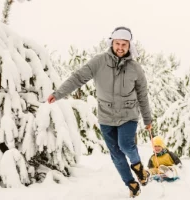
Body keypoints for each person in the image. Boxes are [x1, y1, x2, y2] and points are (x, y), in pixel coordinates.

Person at [47, 26, 152, 198]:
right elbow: (78, 77)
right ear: (112, 43)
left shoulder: (135, 68)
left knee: (126, 145)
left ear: (129, 46)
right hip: (106, 117)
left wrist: (147, 120)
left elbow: (142, 95)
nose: (120, 47)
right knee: (116, 154)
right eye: (117, 43)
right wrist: (58, 93)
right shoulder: (99, 62)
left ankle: (138, 167)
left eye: (124, 44)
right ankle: (131, 184)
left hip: (128, 116)